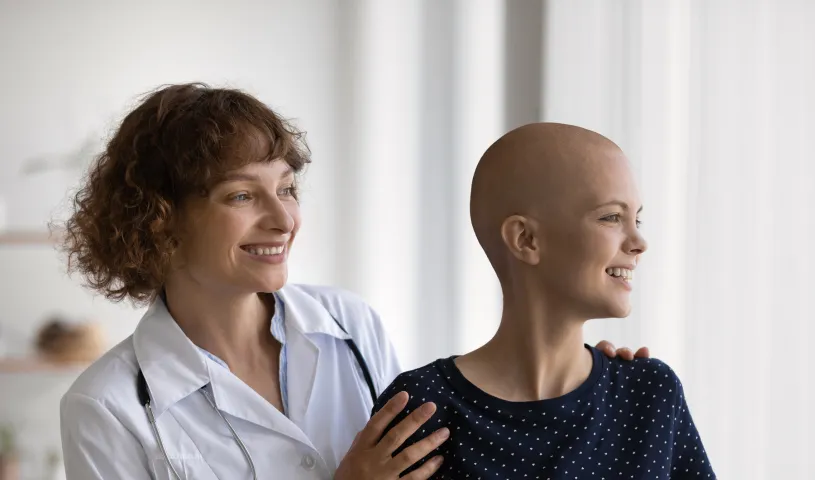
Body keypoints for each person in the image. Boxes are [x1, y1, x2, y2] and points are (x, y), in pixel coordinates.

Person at [56, 83, 650, 480]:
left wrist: (582, 386)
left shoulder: (350, 324)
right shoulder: (107, 406)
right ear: (158, 217)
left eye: (287, 188)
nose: (283, 218)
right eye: (242, 195)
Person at [372, 122, 716, 478]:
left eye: (637, 219)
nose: (639, 242)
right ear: (525, 239)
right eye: (612, 217)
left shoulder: (650, 394)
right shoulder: (420, 408)